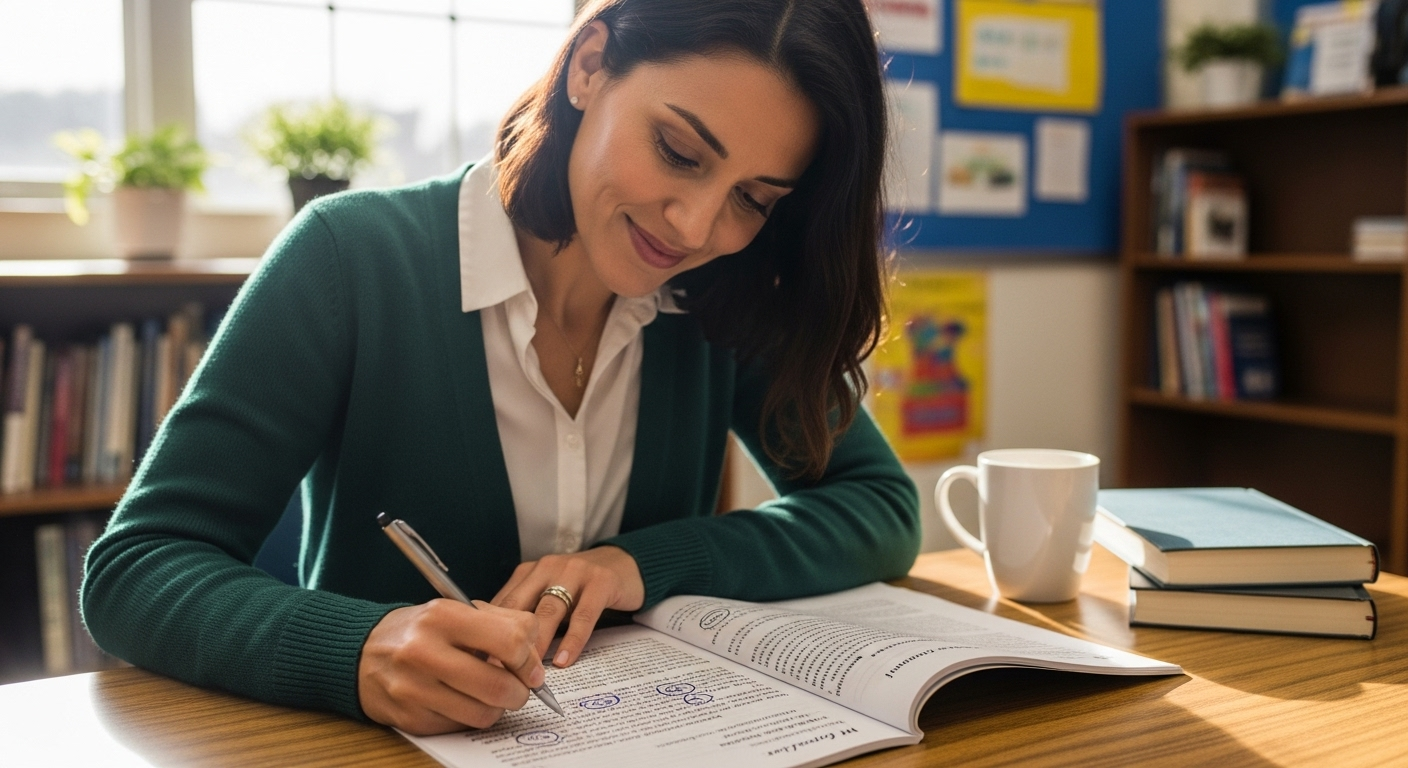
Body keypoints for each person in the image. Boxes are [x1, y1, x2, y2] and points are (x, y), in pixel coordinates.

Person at [82, 0, 920, 736]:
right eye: (678, 150)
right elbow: (138, 567)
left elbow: (878, 507)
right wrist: (360, 653)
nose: (697, 226)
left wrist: (640, 562)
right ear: (590, 65)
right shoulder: (350, 260)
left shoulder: (721, 296)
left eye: (754, 200)